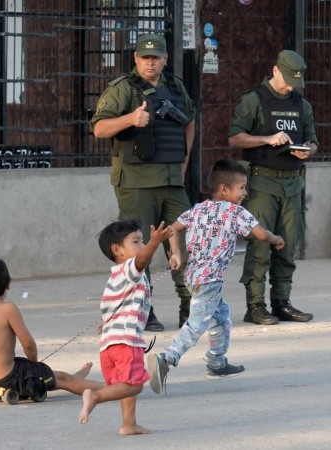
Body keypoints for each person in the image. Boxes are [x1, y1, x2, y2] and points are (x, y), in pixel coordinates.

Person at [146, 159, 285, 395]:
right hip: (210, 280)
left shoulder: (198, 208)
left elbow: (173, 229)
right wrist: (276, 238)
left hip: (193, 277)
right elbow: (260, 234)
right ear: (224, 189)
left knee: (221, 318)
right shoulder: (236, 212)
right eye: (241, 187)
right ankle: (166, 359)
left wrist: (176, 254)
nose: (245, 193)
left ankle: (217, 363)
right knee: (198, 323)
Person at [90, 33, 196, 332]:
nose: (151, 63)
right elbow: (99, 128)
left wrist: (183, 164)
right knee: (139, 248)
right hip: (136, 182)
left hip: (171, 179)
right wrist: (130, 120)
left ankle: (190, 306)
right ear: (136, 58)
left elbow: (189, 121)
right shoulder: (122, 88)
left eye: (156, 57)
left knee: (187, 241)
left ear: (165, 58)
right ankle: (143, 310)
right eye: (145, 57)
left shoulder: (175, 86)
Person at [228, 49, 317, 325]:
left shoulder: (302, 105)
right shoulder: (253, 100)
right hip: (262, 182)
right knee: (260, 244)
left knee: (287, 246)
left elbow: (313, 140)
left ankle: (282, 302)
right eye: (288, 78)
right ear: (276, 70)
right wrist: (266, 140)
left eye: (296, 81)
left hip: (292, 183)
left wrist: (308, 151)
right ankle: (255, 304)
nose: (291, 85)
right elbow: (235, 138)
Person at [78, 219, 174, 435]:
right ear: (117, 250)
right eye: (137, 241)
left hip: (109, 345)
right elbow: (141, 260)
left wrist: (108, 322)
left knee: (124, 384)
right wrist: (155, 242)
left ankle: (128, 424)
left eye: (143, 241)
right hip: (126, 342)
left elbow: (110, 305)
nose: (142, 246)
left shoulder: (116, 277)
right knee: (135, 385)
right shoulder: (130, 268)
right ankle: (95, 396)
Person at [0, 257, 105, 404]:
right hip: (9, 377)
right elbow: (28, 344)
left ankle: (78, 376)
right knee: (64, 379)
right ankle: (116, 389)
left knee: (54, 375)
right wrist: (34, 364)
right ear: (8, 284)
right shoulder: (7, 309)